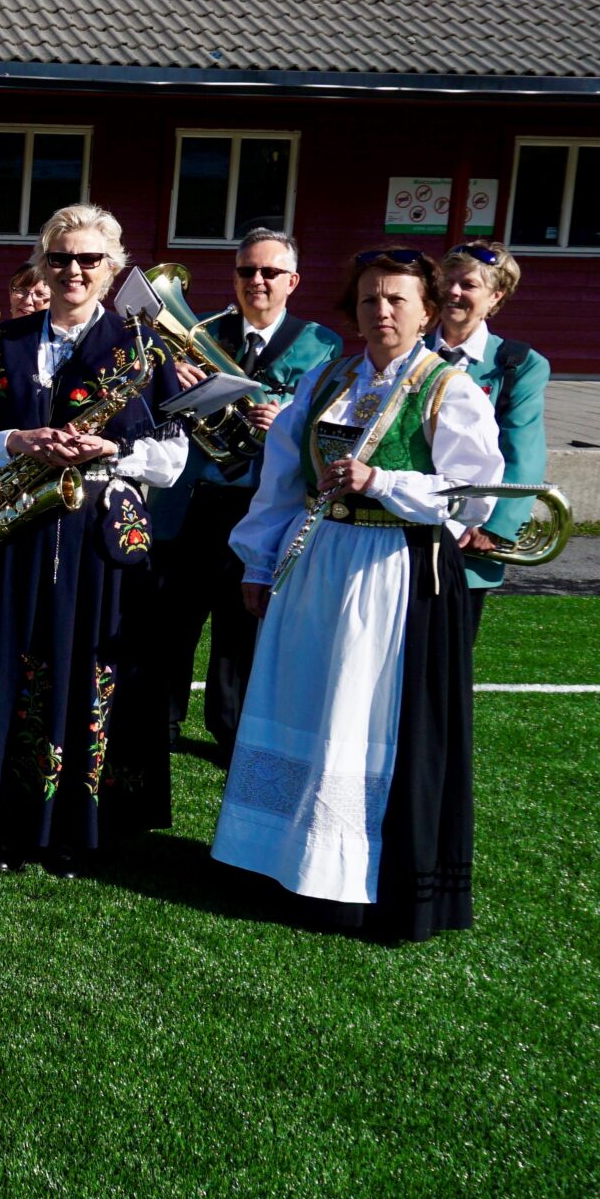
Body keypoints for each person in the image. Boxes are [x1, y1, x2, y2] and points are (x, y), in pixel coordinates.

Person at [212, 249, 503, 942]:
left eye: (398, 299)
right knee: (298, 700)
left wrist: (384, 482)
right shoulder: (328, 378)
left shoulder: (447, 388)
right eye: (370, 298)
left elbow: (475, 493)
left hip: (393, 570)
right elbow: (283, 477)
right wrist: (258, 561)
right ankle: (274, 857)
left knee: (355, 714)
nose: (382, 311)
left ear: (427, 309)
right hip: (315, 563)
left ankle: (345, 879)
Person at [0, 204, 189, 875]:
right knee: (7, 667)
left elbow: (172, 457)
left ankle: (74, 827)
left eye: (89, 259)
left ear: (113, 267)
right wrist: (16, 439)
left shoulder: (144, 347)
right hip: (13, 533)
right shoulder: (0, 343)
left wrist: (112, 449)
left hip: (100, 540)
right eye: (61, 257)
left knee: (86, 674)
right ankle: (3, 822)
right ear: (43, 262)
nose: (73, 270)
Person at [143, 229, 342, 749]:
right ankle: (159, 720)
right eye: (246, 271)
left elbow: (326, 426)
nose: (256, 281)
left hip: (256, 503)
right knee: (171, 615)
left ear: (292, 281)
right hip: (190, 499)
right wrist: (170, 379)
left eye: (269, 272)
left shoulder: (320, 342)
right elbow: (151, 405)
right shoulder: (200, 331)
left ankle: (230, 728)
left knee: (241, 621)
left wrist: (287, 421)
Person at [432, 242, 551, 632]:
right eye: (447, 281)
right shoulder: (405, 348)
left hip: (470, 537)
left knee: (448, 661)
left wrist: (497, 525)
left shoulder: (518, 365)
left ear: (495, 296)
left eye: (468, 285)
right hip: (398, 526)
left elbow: (523, 450)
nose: (453, 292)